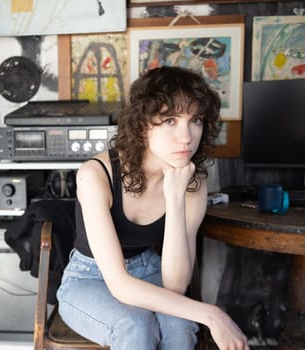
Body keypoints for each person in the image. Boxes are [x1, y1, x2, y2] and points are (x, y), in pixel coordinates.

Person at [56, 66, 249, 350]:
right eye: (170, 120)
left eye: (195, 120)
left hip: (149, 268)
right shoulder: (95, 175)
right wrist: (212, 314)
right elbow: (119, 284)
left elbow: (175, 285)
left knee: (181, 327)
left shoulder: (192, 183)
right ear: (142, 124)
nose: (186, 136)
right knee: (134, 326)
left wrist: (175, 197)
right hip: (89, 278)